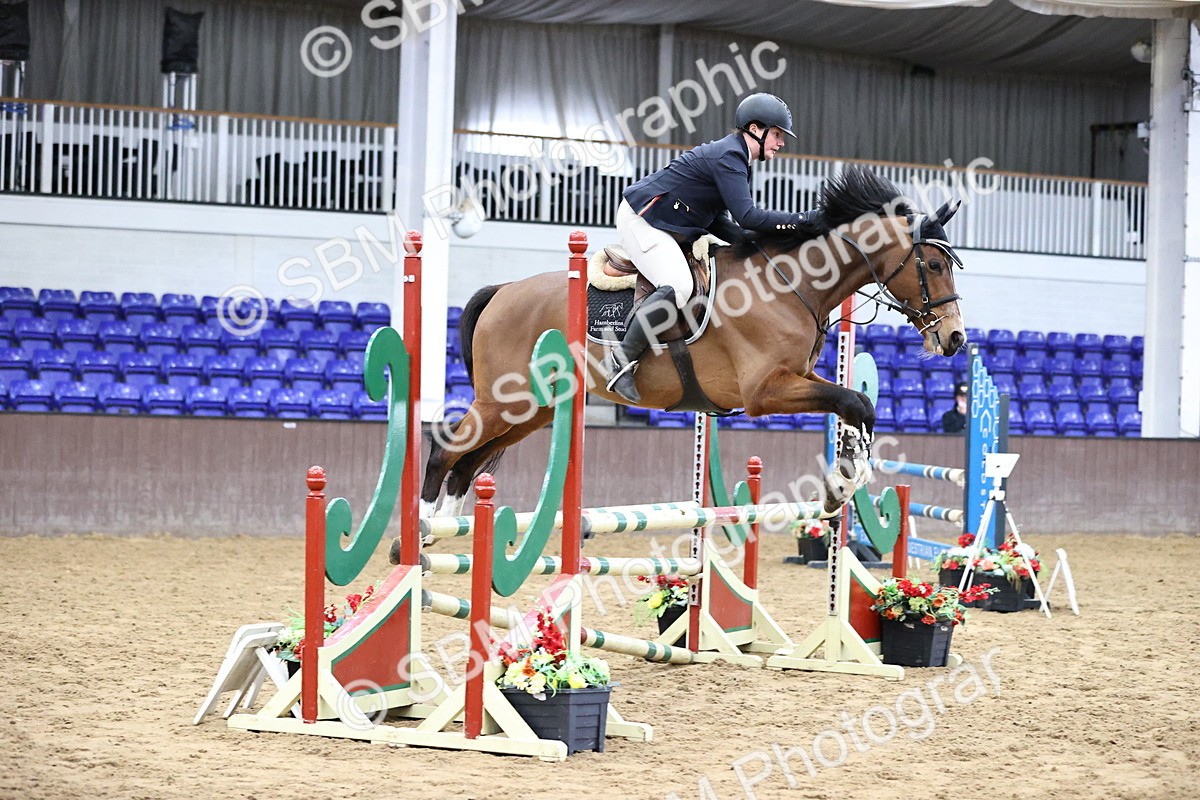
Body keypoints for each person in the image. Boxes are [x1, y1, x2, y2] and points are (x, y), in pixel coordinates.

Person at [602, 92, 820, 404]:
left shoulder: (737, 159)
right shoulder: (729, 157)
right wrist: (805, 220)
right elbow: (749, 216)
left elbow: (720, 220)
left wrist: (753, 244)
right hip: (642, 219)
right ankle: (618, 362)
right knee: (678, 285)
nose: (781, 142)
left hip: (669, 223)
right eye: (776, 134)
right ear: (755, 129)